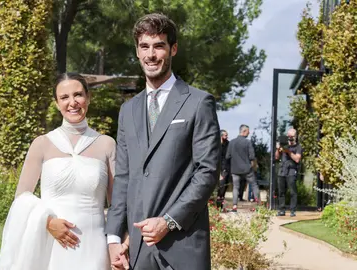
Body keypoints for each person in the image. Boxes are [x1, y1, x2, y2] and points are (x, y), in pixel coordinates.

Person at [105, 13, 221, 270]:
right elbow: (124, 177)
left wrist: (168, 221)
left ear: (173, 49)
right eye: (144, 46)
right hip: (137, 248)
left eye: (159, 46)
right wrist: (114, 237)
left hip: (182, 246)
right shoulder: (128, 111)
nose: (151, 54)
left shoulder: (198, 103)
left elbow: (207, 172)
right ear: (137, 51)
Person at [0, 73, 129, 270]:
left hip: (94, 246)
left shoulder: (106, 144)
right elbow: (22, 196)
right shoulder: (42, 144)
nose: (72, 102)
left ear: (88, 98)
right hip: (52, 244)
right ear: (57, 103)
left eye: (78, 95)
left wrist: (120, 244)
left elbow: (117, 204)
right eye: (64, 97)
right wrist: (48, 222)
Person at [225, 124, 260, 212]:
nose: (249, 133)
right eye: (248, 131)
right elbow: (252, 156)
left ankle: (234, 206)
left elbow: (227, 156)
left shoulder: (232, 142)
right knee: (254, 185)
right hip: (246, 169)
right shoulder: (247, 142)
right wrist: (252, 165)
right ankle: (258, 205)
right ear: (244, 131)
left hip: (235, 169)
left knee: (235, 187)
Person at [275, 128, 302, 217]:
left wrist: (288, 151)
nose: (290, 138)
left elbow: (297, 159)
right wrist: (278, 149)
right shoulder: (283, 146)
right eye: (288, 136)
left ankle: (292, 210)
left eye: (292, 136)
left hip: (291, 170)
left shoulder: (298, 147)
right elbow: (276, 157)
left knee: (292, 192)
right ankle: (281, 210)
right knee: (281, 191)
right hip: (282, 170)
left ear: (295, 136)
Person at [217, 130, 230, 206]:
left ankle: (221, 204)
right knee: (221, 187)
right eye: (225, 135)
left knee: (225, 187)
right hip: (220, 168)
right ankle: (218, 205)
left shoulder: (228, 144)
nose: (227, 137)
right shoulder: (217, 145)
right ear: (221, 136)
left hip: (226, 168)